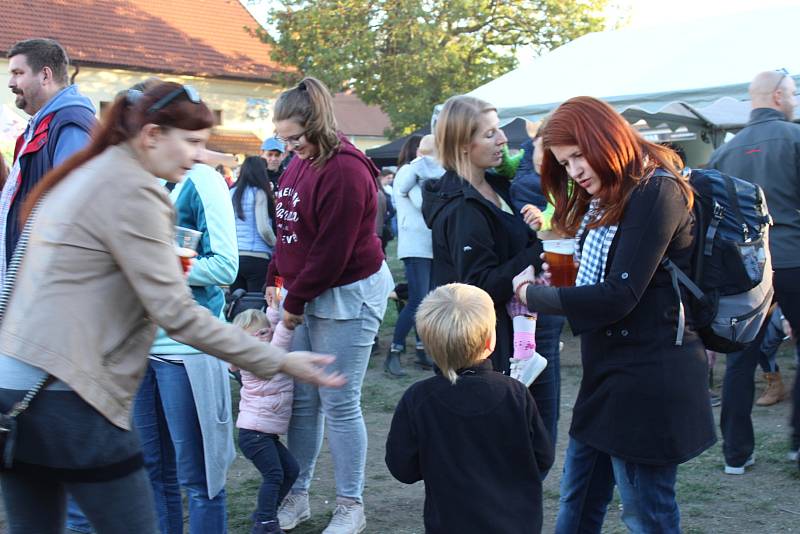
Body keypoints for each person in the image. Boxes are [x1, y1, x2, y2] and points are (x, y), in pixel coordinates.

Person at [0, 81, 343, 534]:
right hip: (72, 397)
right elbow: (177, 314)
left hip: (14, 393)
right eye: (192, 142)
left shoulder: (84, 173)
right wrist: (276, 359)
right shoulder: (136, 192)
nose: (199, 156)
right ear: (152, 135)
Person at [516, 96, 716, 533]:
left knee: (646, 515)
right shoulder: (608, 197)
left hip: (648, 379)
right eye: (565, 164)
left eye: (576, 157)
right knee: (578, 501)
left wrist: (535, 297)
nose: (575, 171)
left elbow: (619, 294)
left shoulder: (657, 189)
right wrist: (556, 280)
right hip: (608, 376)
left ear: (601, 137)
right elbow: (597, 286)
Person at [265, 77, 393, 534]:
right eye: (282, 138)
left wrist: (294, 300)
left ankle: (350, 504)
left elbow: (332, 251)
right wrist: (275, 282)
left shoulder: (346, 170)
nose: (289, 145)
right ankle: (298, 496)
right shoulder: (297, 163)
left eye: (295, 137)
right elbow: (288, 231)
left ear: (317, 124)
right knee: (302, 402)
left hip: (346, 295)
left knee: (338, 402)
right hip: (305, 291)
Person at [385, 283, 553, 533]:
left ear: (430, 348)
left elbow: (402, 467)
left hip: (450, 523)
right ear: (490, 341)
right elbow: (543, 457)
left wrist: (436, 461)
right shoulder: (515, 393)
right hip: (517, 523)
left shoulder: (418, 399)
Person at [133, 159, 242, 534]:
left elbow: (226, 266)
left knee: (199, 480)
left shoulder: (201, 180)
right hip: (138, 347)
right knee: (150, 472)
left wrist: (158, 264)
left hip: (187, 349)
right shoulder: (134, 175)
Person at [707, 70, 800, 471]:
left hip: (746, 268)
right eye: (794, 94)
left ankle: (736, 454)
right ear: (779, 96)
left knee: (740, 359)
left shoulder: (724, 152)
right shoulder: (796, 139)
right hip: (794, 258)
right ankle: (798, 443)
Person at [420, 96, 545, 380]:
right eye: (490, 134)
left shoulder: (499, 185)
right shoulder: (462, 208)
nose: (502, 139)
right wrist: (541, 249)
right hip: (492, 349)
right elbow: (478, 288)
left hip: (524, 330)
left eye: (498, 129)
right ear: (463, 145)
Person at [3, 38, 96, 285]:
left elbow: (76, 209)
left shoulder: (69, 125)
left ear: (45, 75)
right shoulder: (41, 125)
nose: (10, 83)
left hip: (42, 288)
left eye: (18, 73)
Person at [232, 308, 298, 534]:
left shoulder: (262, 348)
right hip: (254, 434)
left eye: (264, 333)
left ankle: (264, 512)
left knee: (291, 470)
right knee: (274, 475)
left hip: (263, 433)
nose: (262, 338)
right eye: (254, 335)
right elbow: (279, 343)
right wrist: (287, 324)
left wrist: (274, 306)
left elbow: (271, 333)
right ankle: (266, 523)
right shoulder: (253, 359)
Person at [385, 134, 443, 376]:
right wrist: (423, 169)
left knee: (426, 300)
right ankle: (394, 352)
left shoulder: (426, 176)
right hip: (416, 247)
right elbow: (422, 205)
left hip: (430, 246)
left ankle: (422, 350)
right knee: (418, 299)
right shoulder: (409, 174)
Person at [230, 155, 276, 293]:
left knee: (236, 305)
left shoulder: (232, 192)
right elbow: (263, 229)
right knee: (255, 306)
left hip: (235, 258)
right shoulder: (259, 193)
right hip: (257, 257)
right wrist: (277, 245)